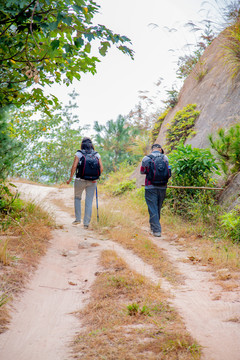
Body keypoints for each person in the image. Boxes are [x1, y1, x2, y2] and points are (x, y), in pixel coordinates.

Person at [67, 137, 103, 228]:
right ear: (91, 144)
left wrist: (70, 178)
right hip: (93, 181)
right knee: (89, 201)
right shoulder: (97, 154)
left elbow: (74, 166)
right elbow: (101, 168)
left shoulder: (79, 153)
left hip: (80, 180)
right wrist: (95, 177)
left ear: (82, 144)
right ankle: (86, 223)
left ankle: (78, 219)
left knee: (77, 198)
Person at [140, 144, 171, 237]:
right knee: (158, 208)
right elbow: (169, 172)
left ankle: (157, 230)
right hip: (163, 186)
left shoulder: (146, 158)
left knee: (152, 208)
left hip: (150, 187)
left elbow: (142, 171)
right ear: (160, 149)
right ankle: (154, 228)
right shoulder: (165, 158)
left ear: (152, 149)